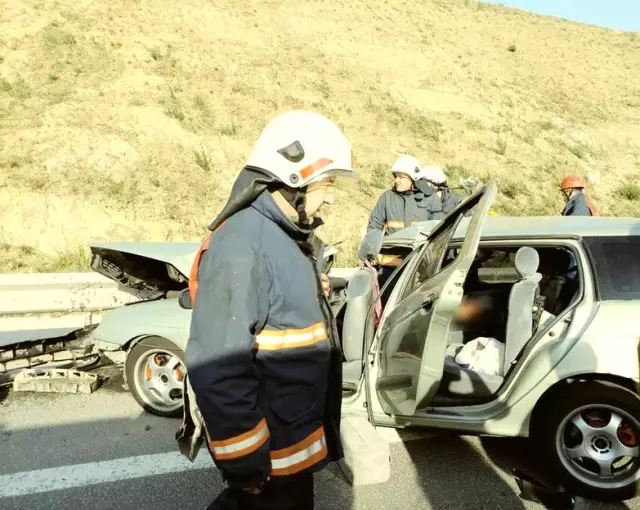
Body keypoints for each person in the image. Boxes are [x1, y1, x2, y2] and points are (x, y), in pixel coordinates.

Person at [183, 110, 356, 510]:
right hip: (268, 464)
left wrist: (313, 289)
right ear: (292, 179)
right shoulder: (243, 244)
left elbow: (275, 309)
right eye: (325, 184)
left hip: (291, 448)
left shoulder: (284, 236)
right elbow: (218, 365)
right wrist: (246, 466)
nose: (329, 195)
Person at [357, 155, 441, 283]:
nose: (397, 180)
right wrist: (366, 255)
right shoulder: (386, 198)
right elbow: (374, 226)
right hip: (388, 270)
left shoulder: (431, 199)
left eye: (401, 177)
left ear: (414, 179)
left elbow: (438, 234)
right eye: (395, 176)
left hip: (418, 270)